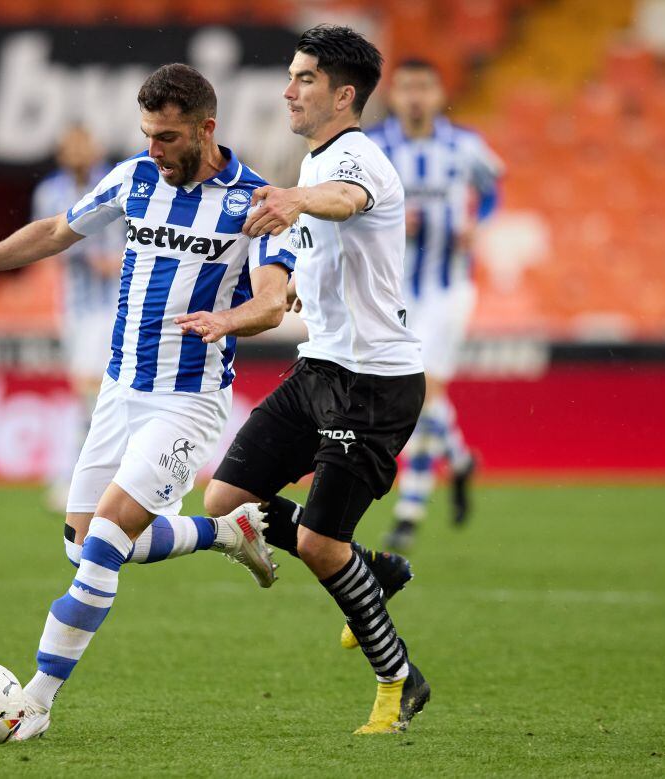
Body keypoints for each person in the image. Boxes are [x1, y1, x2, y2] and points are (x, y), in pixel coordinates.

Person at [0, 63, 296, 740]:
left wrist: (230, 322)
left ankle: (36, 701)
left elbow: (273, 298)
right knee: (84, 545)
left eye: (167, 137)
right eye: (146, 135)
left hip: (188, 400)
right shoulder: (135, 178)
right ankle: (228, 530)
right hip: (120, 390)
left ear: (207, 127)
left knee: (107, 540)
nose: (154, 150)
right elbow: (56, 231)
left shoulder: (255, 201)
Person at [202, 24, 430, 735]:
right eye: (291, 75)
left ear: (344, 94)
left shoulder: (358, 160)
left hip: (373, 383)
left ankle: (399, 684)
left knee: (318, 544)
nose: (288, 89)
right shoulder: (316, 160)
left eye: (304, 79)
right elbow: (326, 236)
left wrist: (299, 204)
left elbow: (347, 200)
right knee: (225, 499)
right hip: (321, 369)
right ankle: (375, 571)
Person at [366, 59, 503, 552]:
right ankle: (459, 462)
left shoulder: (463, 145)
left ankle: (408, 512)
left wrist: (476, 224)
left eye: (425, 86)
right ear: (394, 95)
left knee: (422, 390)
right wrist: (387, 223)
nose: (416, 97)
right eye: (407, 88)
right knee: (420, 395)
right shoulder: (376, 148)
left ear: (438, 91)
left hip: (448, 289)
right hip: (395, 290)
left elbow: (493, 192)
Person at [30, 126, 125, 510]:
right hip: (76, 309)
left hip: (118, 304)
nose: (79, 151)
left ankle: (74, 478)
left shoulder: (120, 181)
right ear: (60, 152)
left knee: (97, 393)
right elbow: (48, 242)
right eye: (71, 145)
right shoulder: (50, 192)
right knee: (90, 396)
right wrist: (88, 257)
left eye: (84, 143)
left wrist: (118, 261)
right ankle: (81, 477)